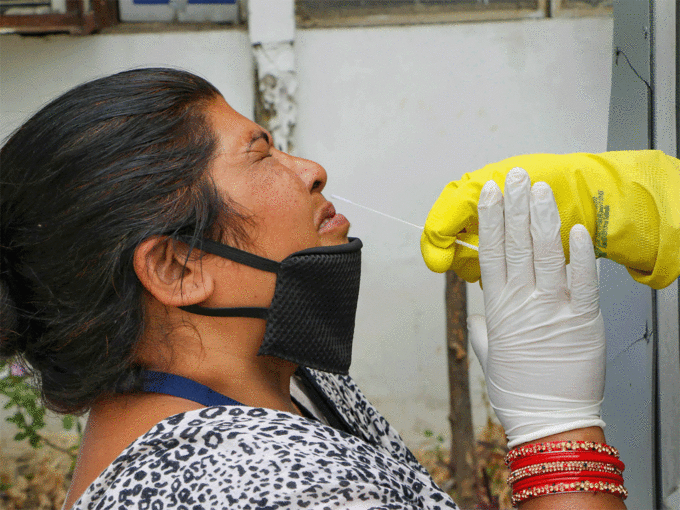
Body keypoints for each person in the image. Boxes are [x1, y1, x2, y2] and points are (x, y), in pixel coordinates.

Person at [0, 68, 626, 509]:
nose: (311, 170)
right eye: (261, 155)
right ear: (178, 268)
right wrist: (558, 433)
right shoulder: (255, 487)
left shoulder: (291, 380)